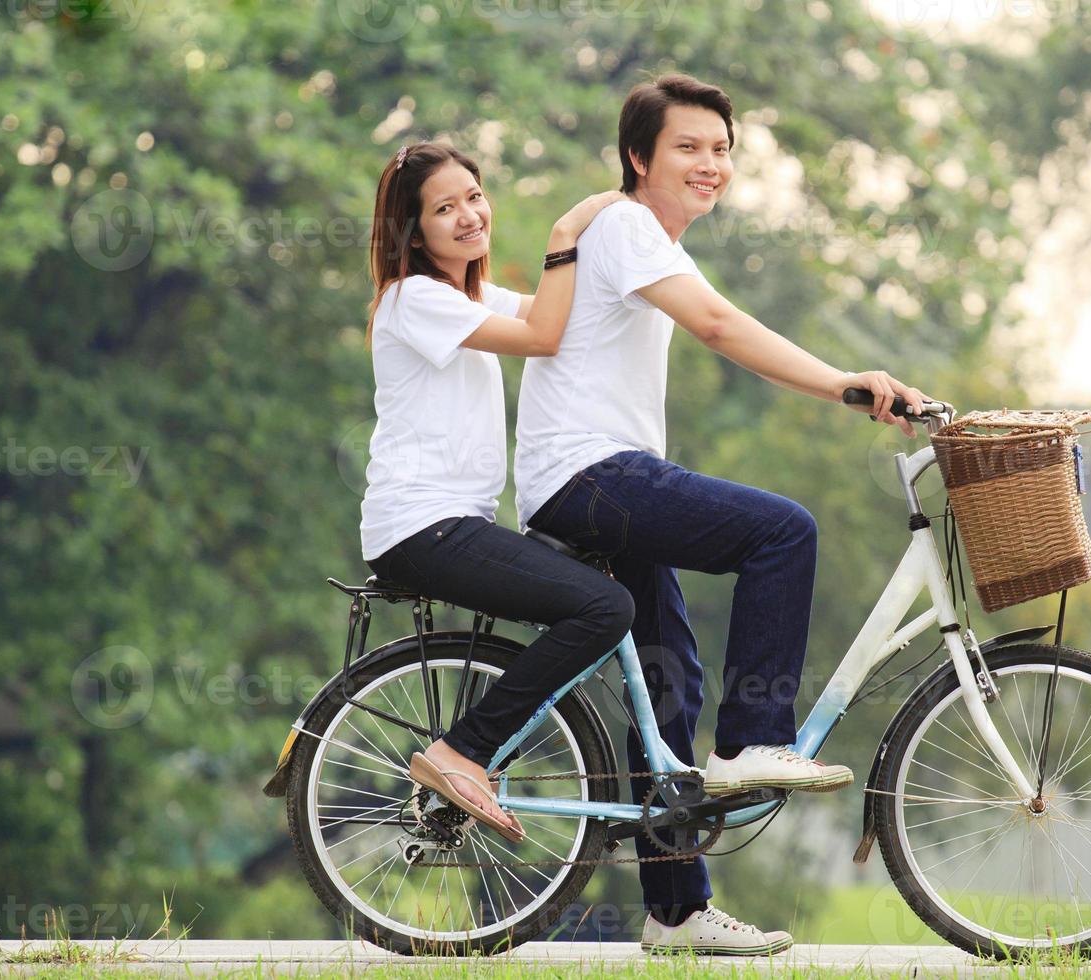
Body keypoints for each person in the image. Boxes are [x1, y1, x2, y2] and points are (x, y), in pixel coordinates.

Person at [515, 75, 927, 954]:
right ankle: (752, 743)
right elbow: (717, 326)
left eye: (721, 149)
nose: (711, 165)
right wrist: (844, 384)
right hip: (590, 475)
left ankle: (673, 913)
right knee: (782, 530)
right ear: (639, 158)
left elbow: (711, 318)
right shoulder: (626, 228)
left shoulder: (637, 233)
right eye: (688, 148)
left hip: (596, 477)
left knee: (666, 686)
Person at [360, 140, 629, 843]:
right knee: (603, 607)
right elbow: (543, 336)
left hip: (448, 526)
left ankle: (475, 752)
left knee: (605, 585)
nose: (469, 215)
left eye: (473, 196)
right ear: (413, 232)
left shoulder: (469, 297)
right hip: (422, 528)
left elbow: (563, 318)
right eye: (444, 208)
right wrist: (566, 235)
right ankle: (462, 751)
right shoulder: (415, 298)